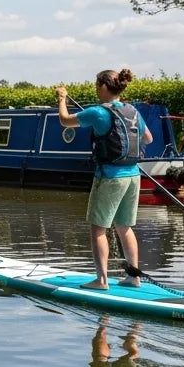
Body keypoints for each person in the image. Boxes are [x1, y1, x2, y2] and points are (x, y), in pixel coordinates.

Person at [56, 68, 153, 290]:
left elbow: (64, 120)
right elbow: (148, 138)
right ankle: (133, 277)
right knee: (124, 226)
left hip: (109, 177)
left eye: (95, 86)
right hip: (133, 175)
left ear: (102, 87)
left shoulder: (98, 112)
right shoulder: (133, 111)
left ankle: (101, 280)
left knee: (98, 228)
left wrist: (62, 99)